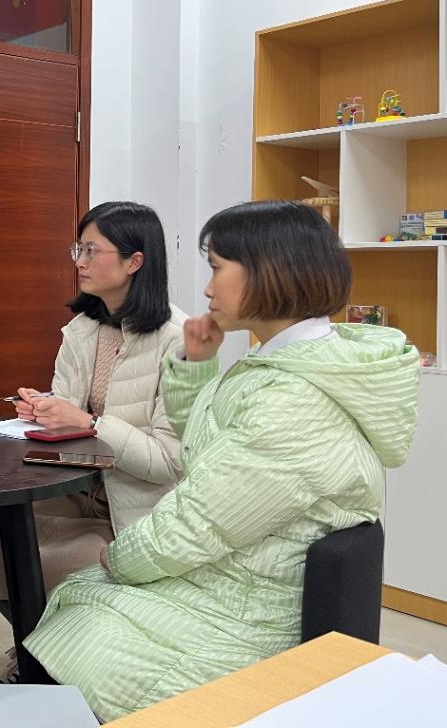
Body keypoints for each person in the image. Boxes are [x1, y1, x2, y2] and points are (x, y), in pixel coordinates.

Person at [23, 200, 420, 721]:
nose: (207, 289)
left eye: (216, 269)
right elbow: (206, 452)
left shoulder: (294, 401)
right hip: (238, 571)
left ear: (269, 272)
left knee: (78, 628)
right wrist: (196, 366)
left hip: (249, 606)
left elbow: (200, 519)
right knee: (71, 606)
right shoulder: (283, 365)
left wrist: (118, 558)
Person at [0, 201, 186, 683]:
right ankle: (40, 650)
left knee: (71, 562)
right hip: (75, 487)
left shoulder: (177, 340)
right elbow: (68, 415)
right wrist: (45, 412)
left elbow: (169, 461)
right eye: (77, 249)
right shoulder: (82, 330)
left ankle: (52, 661)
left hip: (137, 506)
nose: (79, 262)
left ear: (135, 261)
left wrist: (87, 420)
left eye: (91, 250)